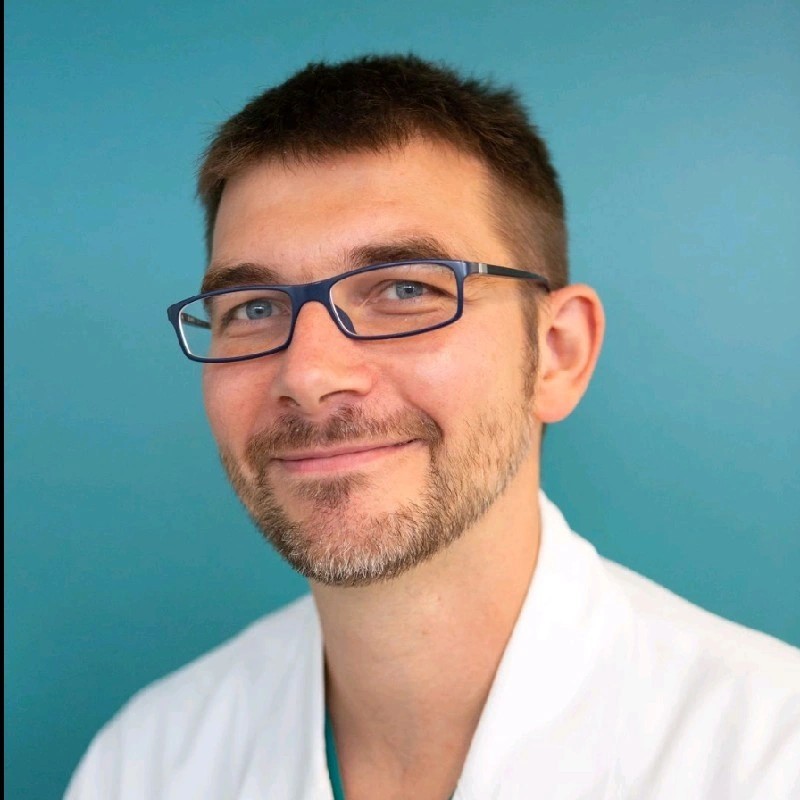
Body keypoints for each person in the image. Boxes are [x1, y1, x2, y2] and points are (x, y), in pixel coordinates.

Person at [66, 54, 800, 800]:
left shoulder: (769, 755)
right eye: (253, 308)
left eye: (405, 289)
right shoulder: (146, 764)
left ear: (557, 354)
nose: (309, 374)